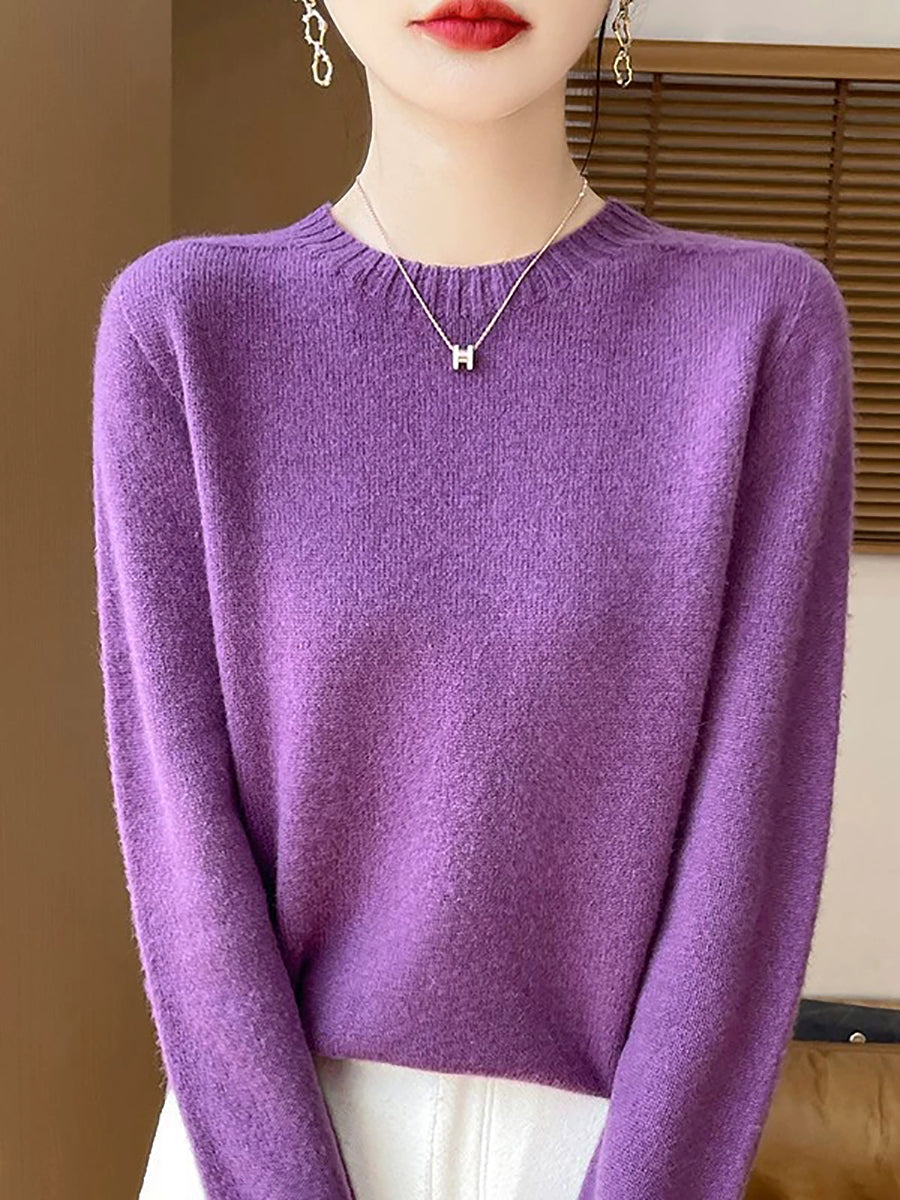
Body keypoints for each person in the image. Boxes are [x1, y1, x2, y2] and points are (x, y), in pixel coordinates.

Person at [90, 1, 856, 1198]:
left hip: (608, 1153)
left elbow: (751, 848)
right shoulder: (183, 328)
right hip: (261, 1152)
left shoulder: (762, 330)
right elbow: (181, 838)